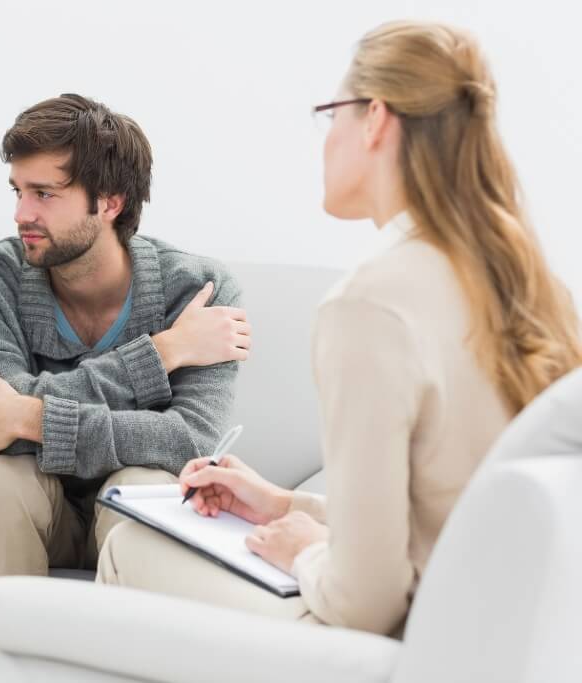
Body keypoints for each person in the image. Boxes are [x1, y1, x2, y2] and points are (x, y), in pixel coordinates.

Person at [97, 20, 582, 637]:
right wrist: (285, 507)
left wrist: (303, 549)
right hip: (497, 634)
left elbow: (365, 601)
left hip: (401, 645)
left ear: (375, 118)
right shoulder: (536, 288)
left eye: (332, 115)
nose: (327, 140)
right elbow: (448, 523)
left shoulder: (369, 305)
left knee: (131, 548)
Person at [0, 93, 251, 664]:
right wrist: (162, 351)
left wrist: (35, 415)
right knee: (6, 482)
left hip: (137, 507)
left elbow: (190, 443)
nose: (21, 214)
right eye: (18, 191)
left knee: (140, 483)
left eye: (44, 194)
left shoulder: (201, 291)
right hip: (41, 508)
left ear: (109, 202)